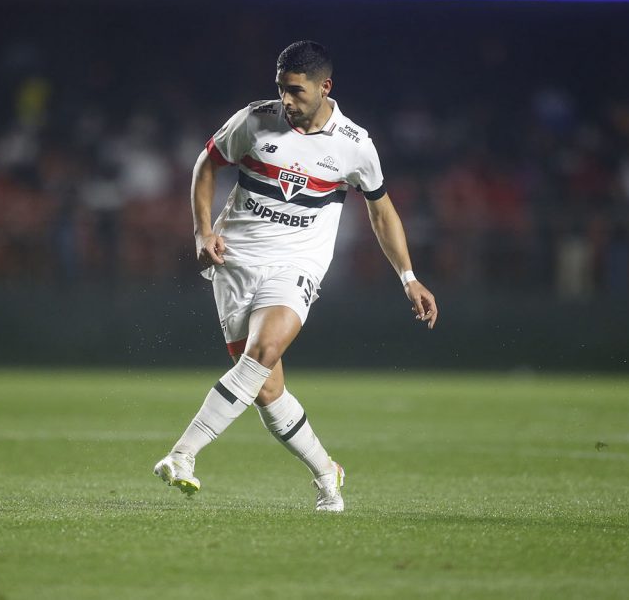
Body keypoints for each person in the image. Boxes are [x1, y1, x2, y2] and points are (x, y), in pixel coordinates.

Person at [153, 41, 437, 512]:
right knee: (265, 386)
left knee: (263, 351)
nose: (286, 100)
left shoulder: (354, 144)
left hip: (297, 265)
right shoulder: (254, 120)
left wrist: (408, 277)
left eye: (296, 92)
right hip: (234, 262)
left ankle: (182, 455)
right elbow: (208, 164)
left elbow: (382, 212)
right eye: (281, 89)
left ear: (325, 87)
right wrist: (203, 231)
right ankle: (327, 473)